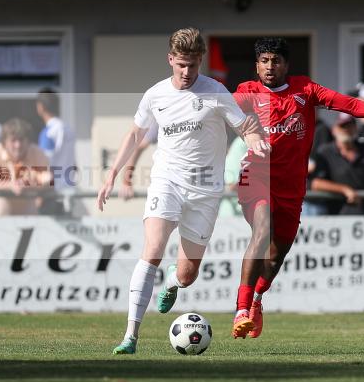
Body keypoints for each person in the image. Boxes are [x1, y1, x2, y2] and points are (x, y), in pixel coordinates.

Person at [96, 27, 267, 355]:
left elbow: (243, 124)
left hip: (205, 191)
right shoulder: (155, 95)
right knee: (153, 250)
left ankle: (174, 282)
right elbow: (135, 135)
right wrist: (111, 176)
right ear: (170, 60)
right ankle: (131, 335)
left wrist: (255, 139)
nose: (187, 72)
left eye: (193, 65)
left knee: (187, 275)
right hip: (167, 182)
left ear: (200, 60)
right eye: (181, 65)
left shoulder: (215, 91)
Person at [231, 37, 364, 340]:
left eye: (275, 60)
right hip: (256, 177)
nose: (269, 66)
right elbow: (221, 111)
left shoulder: (305, 90)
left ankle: (256, 301)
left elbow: (350, 104)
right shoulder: (247, 92)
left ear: (286, 65)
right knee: (261, 232)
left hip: (291, 186)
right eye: (264, 60)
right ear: (256, 65)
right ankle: (240, 309)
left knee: (276, 256)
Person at [310, 114, 364, 215]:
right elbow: (315, 183)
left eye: (349, 126)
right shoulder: (325, 152)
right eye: (342, 126)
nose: (346, 130)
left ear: (356, 128)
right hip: (338, 214)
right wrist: (344, 189)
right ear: (334, 130)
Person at [0, 117, 52, 216]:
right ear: (4, 142)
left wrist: (27, 185)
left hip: (27, 219)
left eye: (21, 140)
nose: (18, 145)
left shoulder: (37, 152)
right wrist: (10, 185)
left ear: (28, 141)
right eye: (13, 140)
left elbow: (48, 180)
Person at [36, 88, 77, 215]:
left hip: (52, 195)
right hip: (68, 192)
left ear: (40, 107)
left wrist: (39, 195)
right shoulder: (68, 129)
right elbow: (74, 165)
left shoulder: (49, 132)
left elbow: (45, 166)